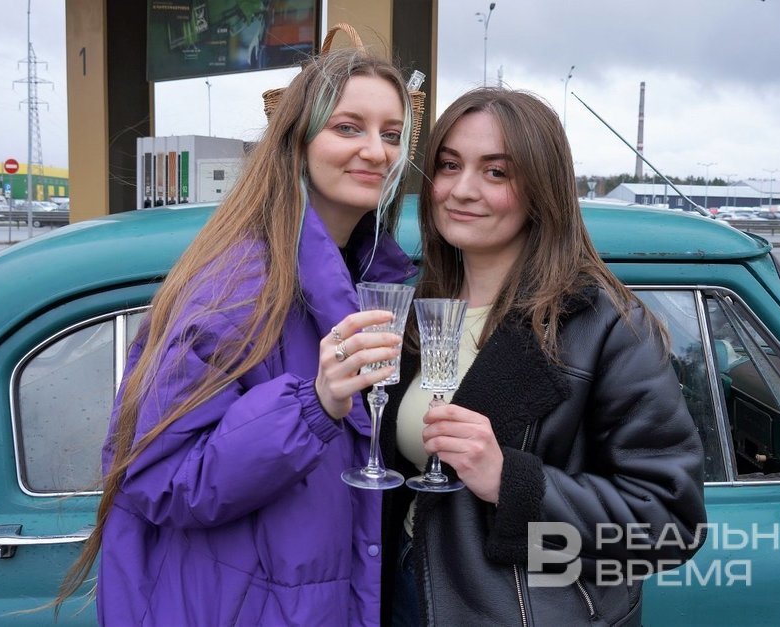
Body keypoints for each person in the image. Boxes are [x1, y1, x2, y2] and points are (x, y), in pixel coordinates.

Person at [55, 48, 419, 625]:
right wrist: (312, 406)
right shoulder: (239, 286)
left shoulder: (366, 276)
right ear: (296, 140)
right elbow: (161, 477)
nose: (377, 151)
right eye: (348, 128)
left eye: (392, 134)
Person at [380, 88, 706, 626]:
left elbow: (671, 524)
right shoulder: (420, 309)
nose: (462, 190)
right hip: (406, 593)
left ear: (540, 190)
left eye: (496, 172)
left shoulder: (604, 325)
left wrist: (513, 482)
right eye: (449, 165)